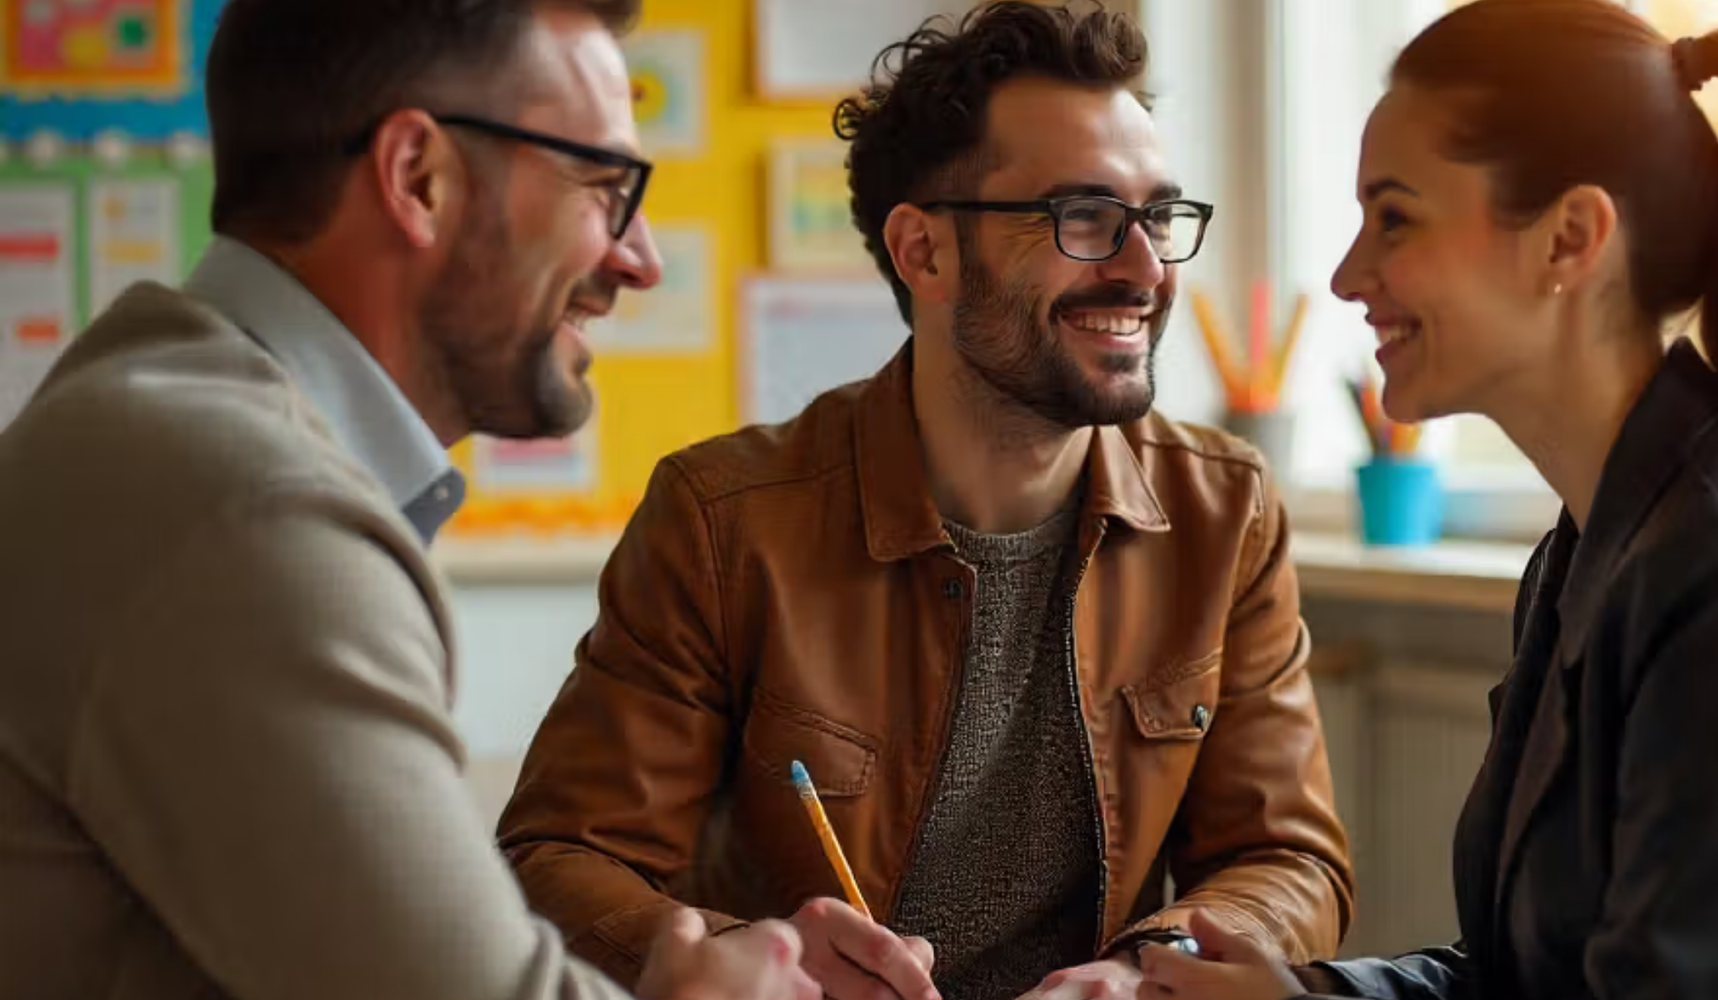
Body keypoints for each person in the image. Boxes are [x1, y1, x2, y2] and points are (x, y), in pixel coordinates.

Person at [495, 4, 1354, 1000]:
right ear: (923, 252)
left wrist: (1142, 975)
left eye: (1157, 218)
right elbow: (557, 862)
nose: (1146, 269)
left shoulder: (1226, 511)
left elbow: (1291, 862)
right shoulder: (722, 519)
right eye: (1084, 218)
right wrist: (758, 961)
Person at [1135, 1, 1718, 999]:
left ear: (1569, 238)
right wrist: (1302, 994)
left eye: (1393, 217)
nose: (1348, 273)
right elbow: (1524, 978)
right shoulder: (1590, 551)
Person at [0, 1, 817, 999]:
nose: (638, 258)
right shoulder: (246, 509)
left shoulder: (166, 428)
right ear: (416, 177)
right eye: (606, 186)